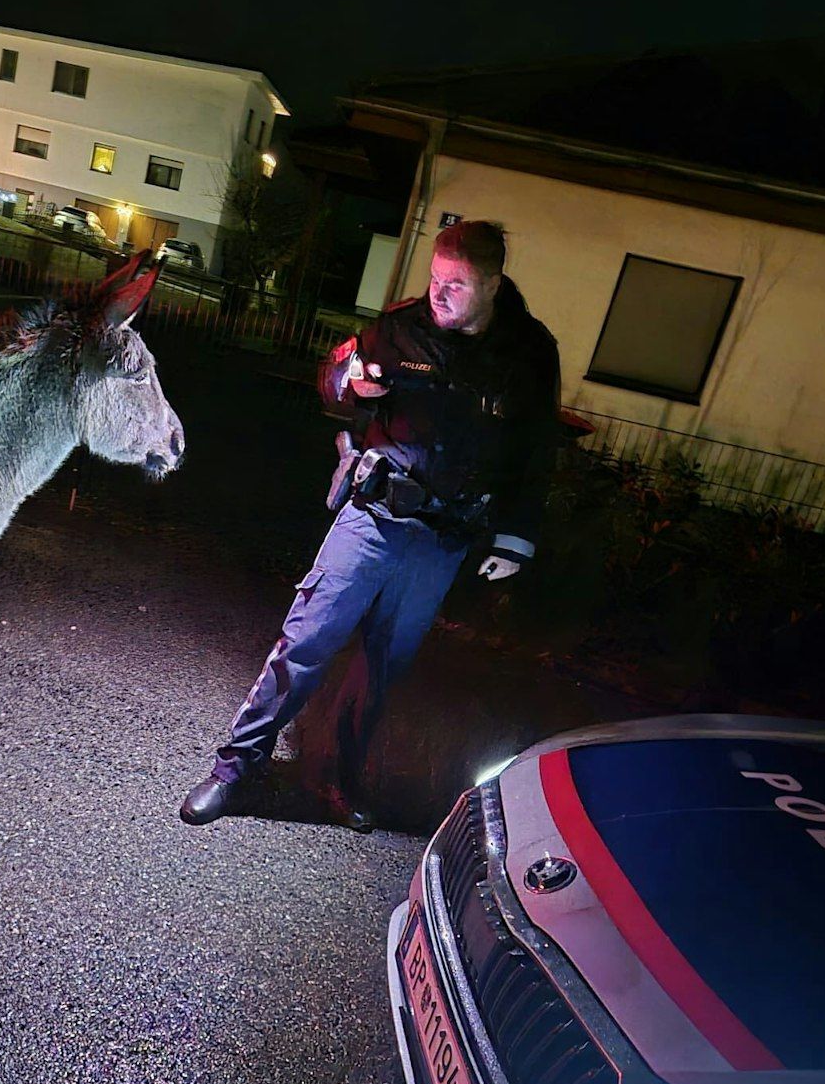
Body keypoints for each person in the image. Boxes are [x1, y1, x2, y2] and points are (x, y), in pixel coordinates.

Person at [179, 219, 561, 831]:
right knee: (304, 644)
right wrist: (349, 384)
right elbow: (332, 381)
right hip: (373, 517)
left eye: (456, 285)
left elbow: (536, 450)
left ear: (491, 283)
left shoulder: (529, 354)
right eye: (435, 279)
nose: (438, 294)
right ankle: (234, 769)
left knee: (381, 670)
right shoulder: (399, 328)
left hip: (441, 540)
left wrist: (517, 536)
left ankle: (339, 781)